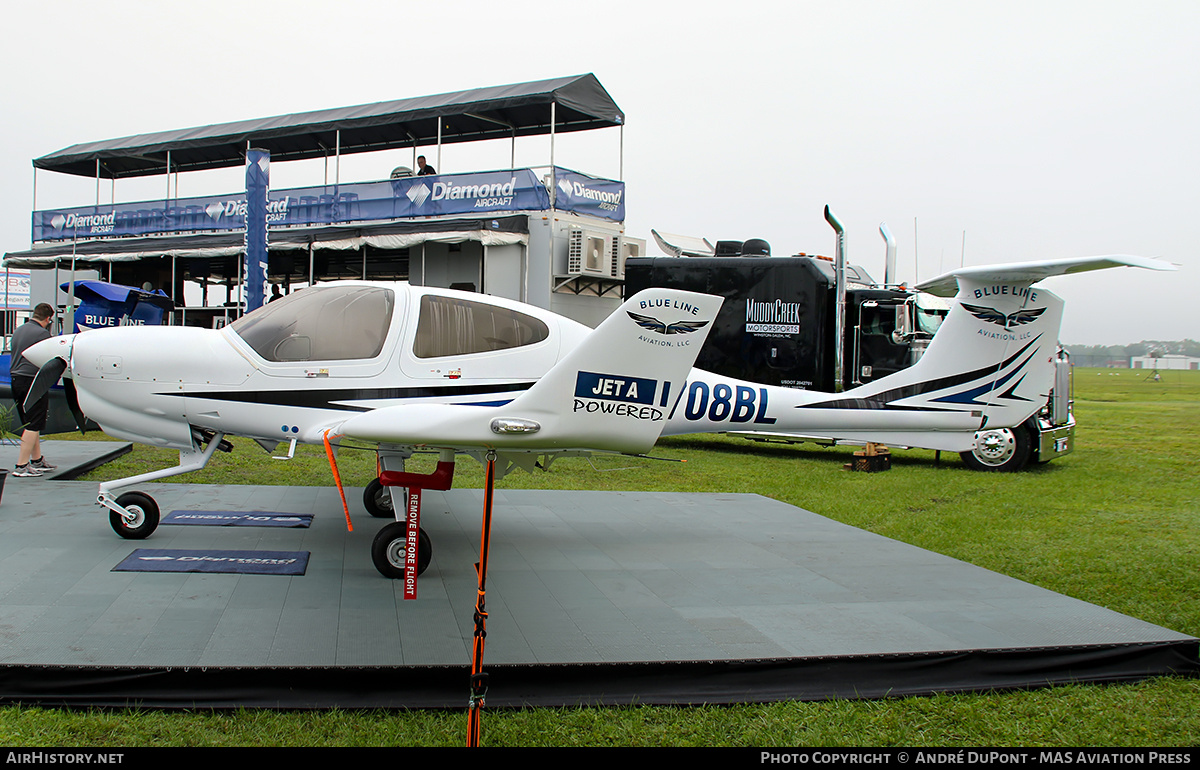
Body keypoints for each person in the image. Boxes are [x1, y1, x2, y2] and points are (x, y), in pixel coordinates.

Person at [9, 303, 57, 477]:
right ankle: (21, 466)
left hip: (16, 379)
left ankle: (36, 460)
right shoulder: (42, 334)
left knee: (29, 423)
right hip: (33, 381)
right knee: (34, 422)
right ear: (48, 319)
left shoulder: (19, 330)